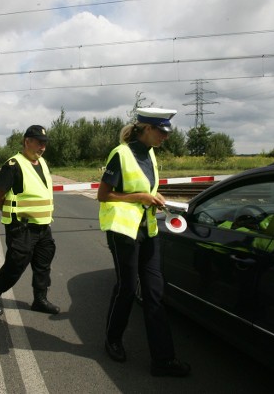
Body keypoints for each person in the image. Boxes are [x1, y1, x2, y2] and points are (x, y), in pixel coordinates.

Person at [97, 108, 191, 377]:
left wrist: (155, 195)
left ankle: (163, 359)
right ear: (146, 129)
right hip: (123, 231)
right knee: (127, 288)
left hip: (147, 230)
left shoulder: (150, 153)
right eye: (161, 132)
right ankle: (112, 340)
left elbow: (145, 189)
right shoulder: (121, 154)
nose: (165, 138)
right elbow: (103, 195)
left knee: (154, 293)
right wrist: (139, 197)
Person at [0, 125, 60, 316]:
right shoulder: (13, 165)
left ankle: (40, 300)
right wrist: (14, 216)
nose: (43, 147)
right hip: (22, 228)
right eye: (39, 143)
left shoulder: (41, 162)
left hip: (43, 227)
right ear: (27, 142)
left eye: (45, 143)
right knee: (15, 267)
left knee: (43, 265)